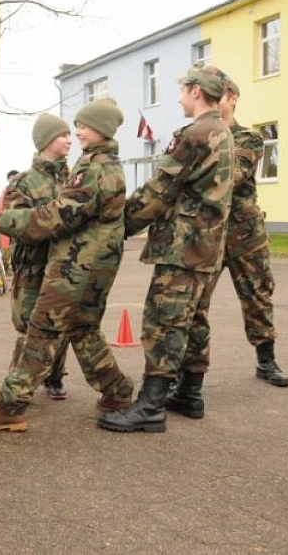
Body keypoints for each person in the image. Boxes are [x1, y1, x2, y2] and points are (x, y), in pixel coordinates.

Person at [0, 98, 134, 431]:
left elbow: (58, 215)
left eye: (83, 126)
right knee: (84, 329)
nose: (76, 133)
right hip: (95, 265)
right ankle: (116, 390)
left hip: (76, 267)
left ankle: (9, 406)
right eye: (71, 128)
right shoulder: (107, 164)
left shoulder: (93, 168)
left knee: (42, 331)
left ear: (101, 129)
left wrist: (0, 221)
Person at [97, 64, 234, 434]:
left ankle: (150, 406)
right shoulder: (224, 132)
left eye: (183, 90)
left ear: (196, 91)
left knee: (164, 320)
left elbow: (161, 189)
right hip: (208, 246)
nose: (179, 97)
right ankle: (189, 393)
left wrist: (120, 223)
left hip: (184, 246)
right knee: (194, 318)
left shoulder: (196, 133)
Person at [166, 78, 288, 420]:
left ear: (232, 99)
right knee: (195, 301)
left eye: (223, 96)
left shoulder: (249, 138)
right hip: (208, 231)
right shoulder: (192, 133)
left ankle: (266, 360)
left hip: (244, 232)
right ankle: (185, 374)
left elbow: (230, 176)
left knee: (257, 294)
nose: (216, 100)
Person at [5, 113, 73, 401]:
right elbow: (16, 223)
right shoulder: (24, 183)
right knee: (29, 325)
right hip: (33, 265)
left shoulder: (74, 179)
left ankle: (54, 375)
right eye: (63, 135)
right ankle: (17, 384)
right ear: (46, 141)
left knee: (62, 323)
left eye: (71, 134)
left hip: (65, 266)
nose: (69, 140)